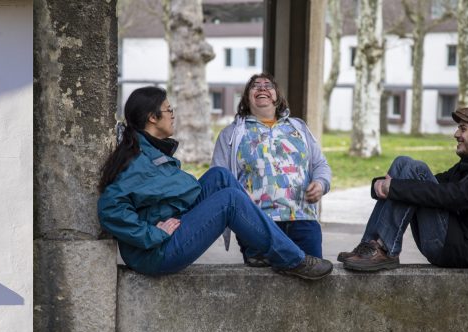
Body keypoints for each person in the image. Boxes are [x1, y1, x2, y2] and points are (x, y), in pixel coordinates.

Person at [97, 86, 332, 279]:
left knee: (220, 175)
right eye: (168, 110)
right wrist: (152, 234)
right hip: (157, 253)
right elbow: (110, 208)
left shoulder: (148, 149)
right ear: (152, 117)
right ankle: (293, 260)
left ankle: (261, 246)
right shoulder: (137, 160)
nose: (173, 115)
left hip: (170, 227)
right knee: (230, 200)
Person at [339, 106, 468, 271]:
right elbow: (434, 183)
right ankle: (369, 246)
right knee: (403, 163)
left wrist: (394, 187)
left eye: (463, 128)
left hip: (461, 249)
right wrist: (382, 185)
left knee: (414, 169)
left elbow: (455, 197)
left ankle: (385, 249)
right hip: (448, 237)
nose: (456, 134)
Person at [212, 73, 331, 267]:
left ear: (277, 96)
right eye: (255, 86)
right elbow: (219, 177)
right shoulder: (231, 134)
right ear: (246, 98)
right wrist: (239, 198)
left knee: (312, 281)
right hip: (257, 222)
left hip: (303, 219)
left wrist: (321, 183)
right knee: (265, 289)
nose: (262, 88)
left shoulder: (298, 127)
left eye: (268, 85)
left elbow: (320, 165)